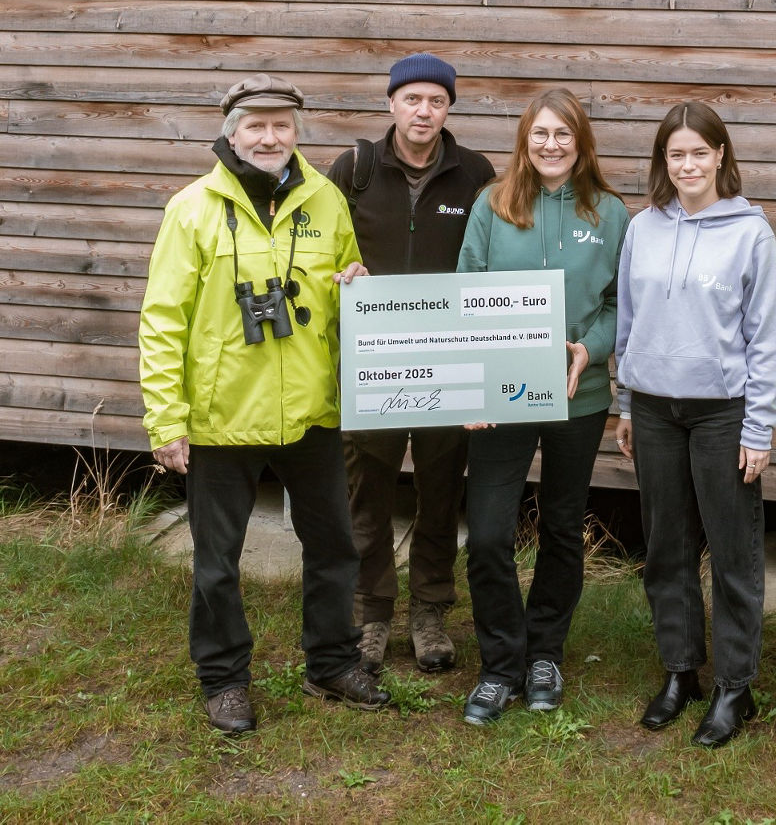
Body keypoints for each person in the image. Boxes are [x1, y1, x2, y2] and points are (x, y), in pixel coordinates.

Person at [139, 73, 390, 734]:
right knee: (217, 563)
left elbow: (339, 300)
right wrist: (168, 419)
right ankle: (224, 679)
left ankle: (331, 662)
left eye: (282, 125)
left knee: (335, 547)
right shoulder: (191, 210)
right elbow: (162, 320)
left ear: (297, 132)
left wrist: (354, 286)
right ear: (231, 131)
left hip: (310, 411)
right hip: (223, 419)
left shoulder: (326, 200)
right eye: (257, 125)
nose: (270, 136)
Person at [455, 88, 628, 725]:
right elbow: (465, 294)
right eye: (540, 135)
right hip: (501, 396)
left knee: (561, 527)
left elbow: (620, 304)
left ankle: (545, 654)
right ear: (524, 141)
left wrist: (593, 347)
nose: (551, 145)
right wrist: (471, 385)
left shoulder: (610, 213)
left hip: (576, 400)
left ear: (580, 143)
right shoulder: (492, 205)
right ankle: (500, 665)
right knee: (491, 535)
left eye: (564, 135)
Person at [614, 102, 776, 748]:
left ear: (720, 156)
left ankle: (736, 687)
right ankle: (681, 671)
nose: (687, 164)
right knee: (667, 548)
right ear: (664, 162)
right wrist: (627, 404)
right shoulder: (643, 228)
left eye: (698, 152)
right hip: (655, 408)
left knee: (733, 550)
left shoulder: (750, 234)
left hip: (722, 413)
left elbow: (765, 338)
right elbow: (628, 325)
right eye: (675, 154)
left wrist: (759, 427)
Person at [327, 54, 495, 675]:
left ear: (449, 108)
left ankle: (429, 610)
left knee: (440, 489)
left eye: (437, 101)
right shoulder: (355, 170)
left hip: (447, 363)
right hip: (372, 364)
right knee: (365, 492)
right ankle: (370, 613)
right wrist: (340, 276)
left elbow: (491, 258)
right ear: (391, 103)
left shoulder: (474, 173)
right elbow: (320, 248)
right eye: (413, 99)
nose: (424, 111)